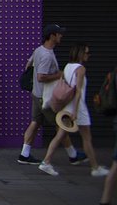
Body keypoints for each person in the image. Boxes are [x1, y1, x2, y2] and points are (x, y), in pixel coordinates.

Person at [17, 25, 85, 168]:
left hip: (36, 94)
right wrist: (58, 75)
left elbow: (28, 65)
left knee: (35, 122)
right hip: (45, 98)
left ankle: (24, 154)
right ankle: (72, 156)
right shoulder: (47, 55)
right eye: (59, 34)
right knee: (62, 126)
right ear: (52, 36)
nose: (61, 36)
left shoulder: (38, 50)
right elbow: (41, 76)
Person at [38, 45, 109, 177]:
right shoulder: (80, 69)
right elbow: (77, 92)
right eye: (87, 53)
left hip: (67, 107)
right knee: (87, 138)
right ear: (81, 54)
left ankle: (46, 162)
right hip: (78, 108)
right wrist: (75, 112)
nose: (89, 55)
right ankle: (95, 168)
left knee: (59, 136)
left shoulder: (67, 67)